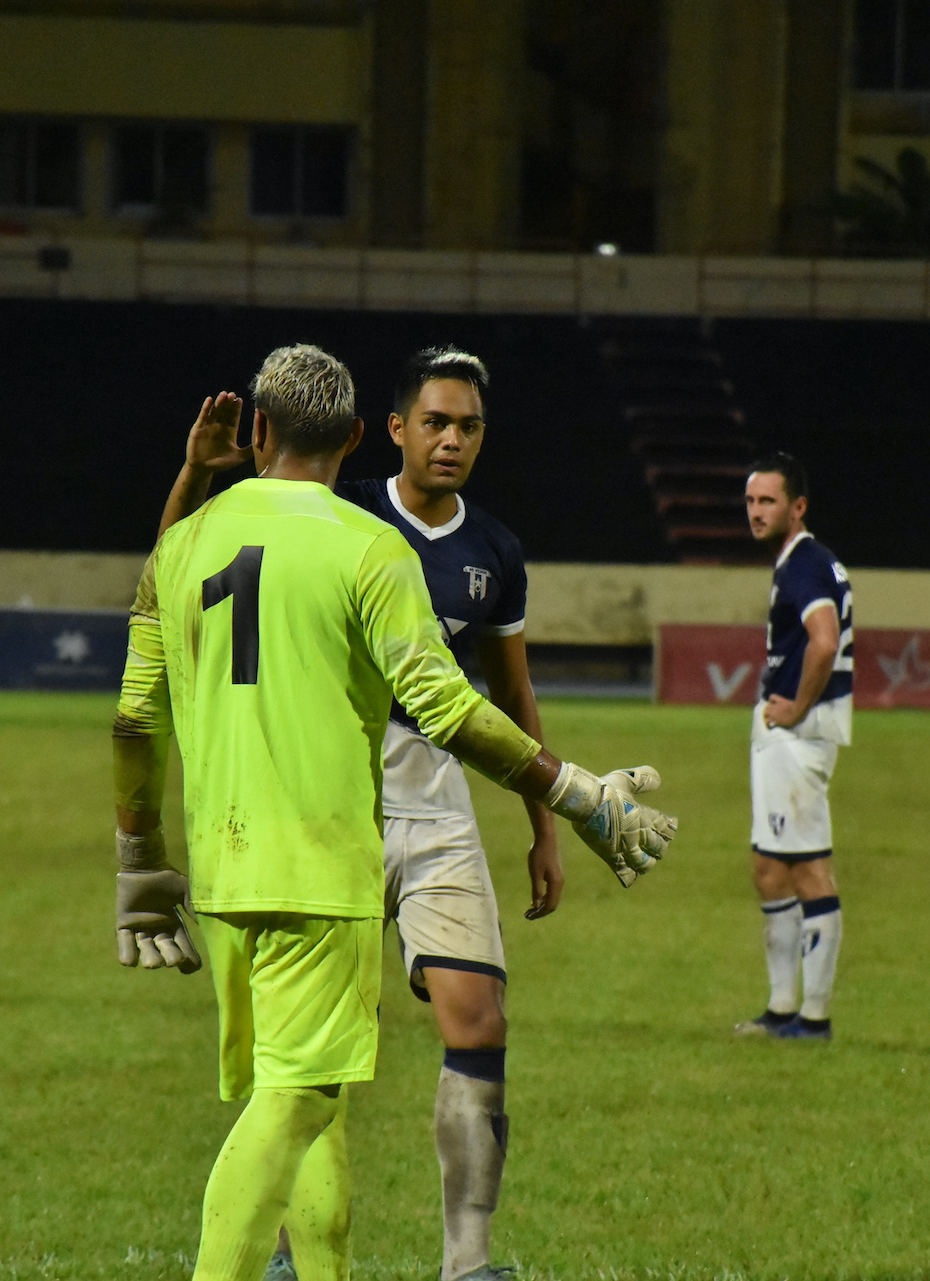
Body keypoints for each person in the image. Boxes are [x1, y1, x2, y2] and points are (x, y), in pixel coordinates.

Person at [114, 343, 678, 1281]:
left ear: (259, 431)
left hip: (243, 853)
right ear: (366, 437)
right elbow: (453, 706)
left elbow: (143, 683)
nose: (452, 440)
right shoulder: (362, 536)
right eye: (437, 422)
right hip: (329, 839)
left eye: (469, 426)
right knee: (296, 1095)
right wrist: (571, 794)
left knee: (322, 1077)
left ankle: (435, 1260)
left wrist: (139, 857)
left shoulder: (196, 539)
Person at [730, 453, 852, 1043]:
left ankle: (814, 1018)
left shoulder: (803, 564)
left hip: (798, 737)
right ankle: (782, 1010)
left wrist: (797, 706)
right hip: (794, 737)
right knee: (770, 868)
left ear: (796, 507)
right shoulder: (808, 562)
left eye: (768, 501)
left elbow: (824, 642)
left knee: (808, 872)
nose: (756, 512)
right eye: (751, 501)